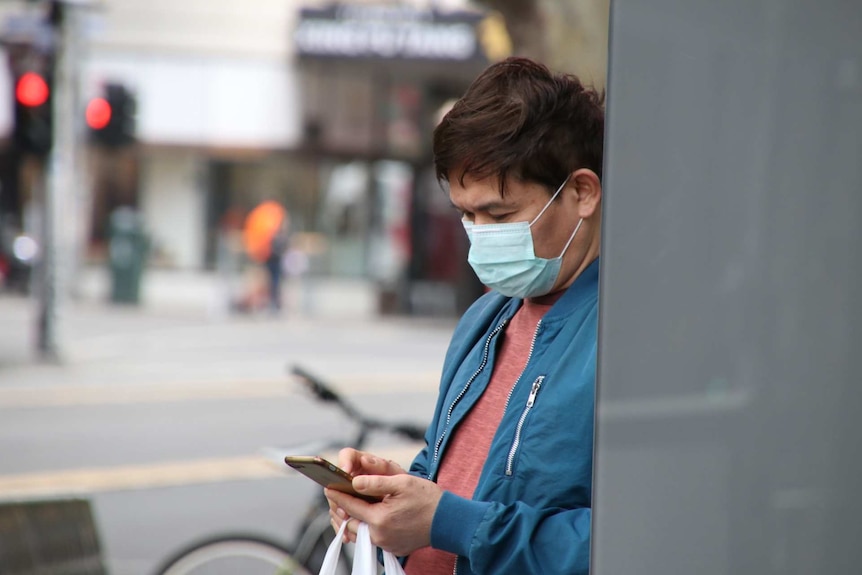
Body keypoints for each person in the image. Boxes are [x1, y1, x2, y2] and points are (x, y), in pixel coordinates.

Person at [325, 56, 604, 574]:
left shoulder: (623, 337)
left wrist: (449, 523)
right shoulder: (485, 319)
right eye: (466, 214)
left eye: (499, 214)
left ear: (582, 193)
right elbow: (444, 473)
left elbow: (629, 538)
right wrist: (390, 499)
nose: (481, 234)